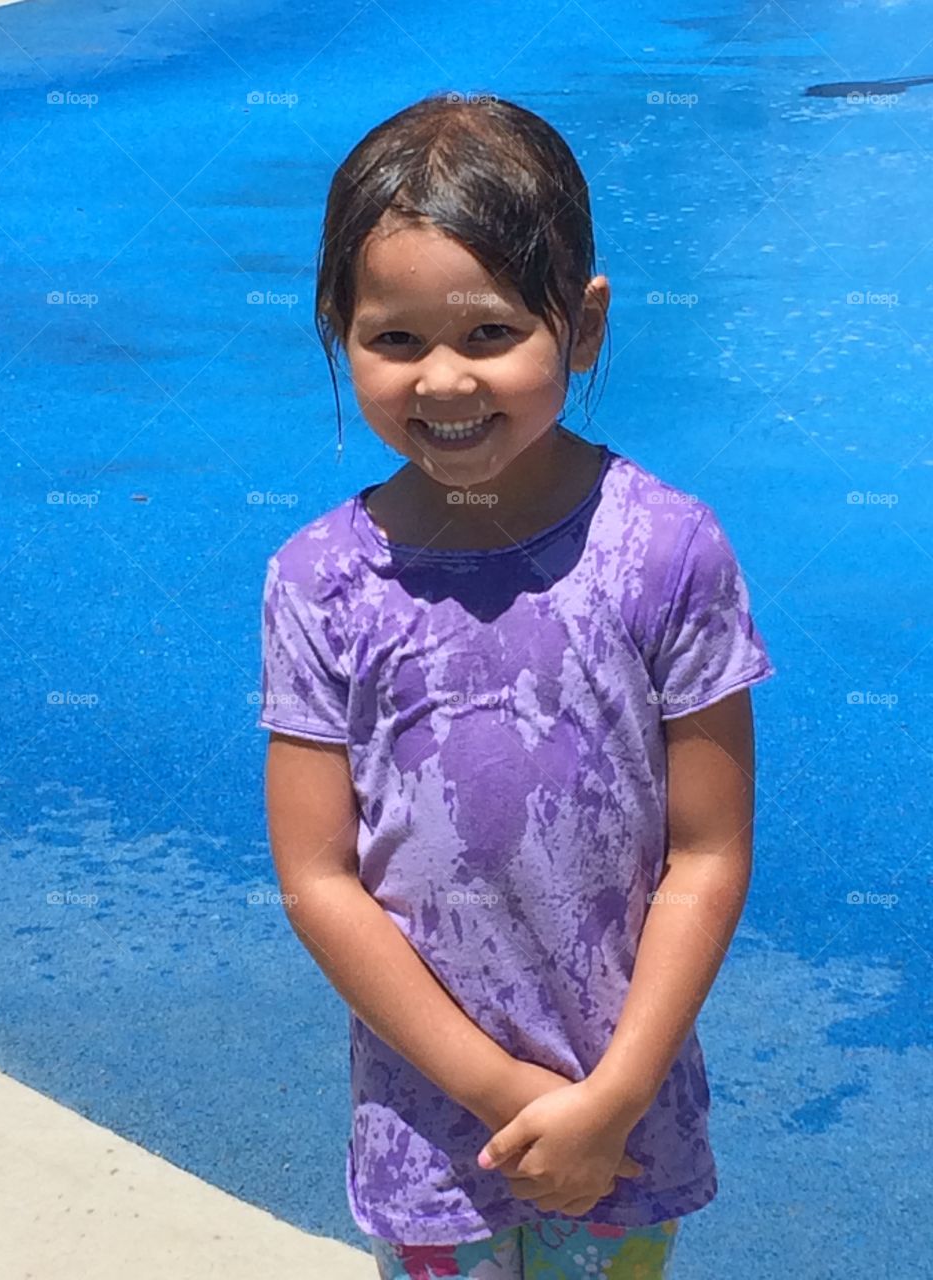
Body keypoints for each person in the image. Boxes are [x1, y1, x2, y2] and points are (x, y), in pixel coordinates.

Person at [258, 90, 776, 1280]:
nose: (444, 380)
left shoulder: (666, 551)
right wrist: (501, 1088)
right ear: (340, 330)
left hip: (622, 1117)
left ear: (582, 326)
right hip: (440, 1130)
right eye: (395, 339)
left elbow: (706, 850)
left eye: (490, 333)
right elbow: (319, 877)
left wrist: (616, 1094)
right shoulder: (320, 582)